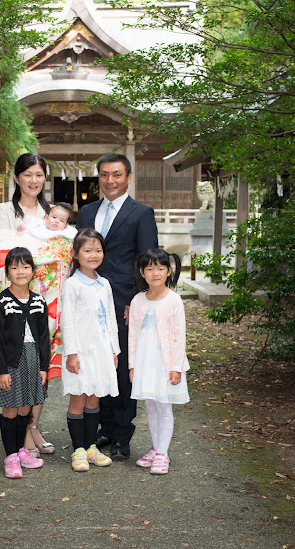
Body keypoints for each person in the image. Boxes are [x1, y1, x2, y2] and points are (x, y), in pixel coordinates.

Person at [76, 153, 159, 460]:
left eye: (116, 175)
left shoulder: (141, 213)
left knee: (123, 369)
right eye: (105, 175)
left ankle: (123, 435)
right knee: (97, 365)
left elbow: (148, 260)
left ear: (128, 176)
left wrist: (139, 303)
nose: (110, 181)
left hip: (125, 304)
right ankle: (103, 429)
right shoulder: (87, 212)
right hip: (90, 303)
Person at [0, 153, 71, 458]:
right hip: (17, 293)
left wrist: (42, 250)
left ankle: (33, 426)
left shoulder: (53, 212)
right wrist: (45, 251)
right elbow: (2, 249)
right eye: (28, 175)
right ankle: (18, 431)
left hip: (48, 297)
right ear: (16, 178)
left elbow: (65, 247)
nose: (33, 181)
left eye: (39, 175)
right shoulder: (5, 210)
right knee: (17, 360)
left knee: (41, 361)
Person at [0, 247, 50, 478]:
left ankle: (22, 450)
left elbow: (44, 338)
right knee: (11, 407)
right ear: (7, 272)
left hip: (33, 358)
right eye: (15, 267)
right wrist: (1, 371)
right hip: (11, 361)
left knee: (26, 405)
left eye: (25, 267)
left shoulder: (38, 300)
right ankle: (10, 456)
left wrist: (44, 367)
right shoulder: (1, 302)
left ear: (33, 271)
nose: (20, 271)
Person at [60, 229, 120, 472]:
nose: (93, 255)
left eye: (98, 250)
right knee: (79, 397)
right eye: (87, 250)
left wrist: (114, 350)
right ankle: (78, 450)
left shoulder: (104, 283)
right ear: (75, 254)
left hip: (102, 351)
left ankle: (91, 446)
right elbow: (69, 321)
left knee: (95, 398)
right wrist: (71, 353)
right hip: (81, 352)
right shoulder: (72, 284)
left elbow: (111, 319)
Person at [129, 248, 190, 474]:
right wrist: (132, 365)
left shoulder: (174, 300)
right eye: (150, 268)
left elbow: (179, 336)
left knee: (164, 407)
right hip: (145, 361)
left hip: (165, 363)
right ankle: (156, 448)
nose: (155, 273)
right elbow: (133, 335)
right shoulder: (137, 300)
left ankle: (163, 454)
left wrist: (176, 367)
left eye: (160, 268)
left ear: (169, 271)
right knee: (151, 406)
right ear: (142, 273)